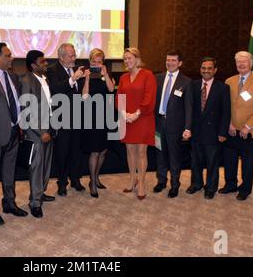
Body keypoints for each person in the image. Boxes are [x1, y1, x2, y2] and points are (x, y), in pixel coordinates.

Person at [0, 42, 28, 225]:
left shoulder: (12, 76)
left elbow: (16, 102)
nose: (12, 58)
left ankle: (10, 203)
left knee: (10, 171)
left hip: (14, 130)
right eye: (8, 55)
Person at [221, 51, 253, 201]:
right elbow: (226, 106)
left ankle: (245, 189)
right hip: (231, 129)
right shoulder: (229, 81)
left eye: (244, 62)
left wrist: (247, 127)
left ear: (251, 63)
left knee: (247, 162)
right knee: (229, 160)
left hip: (250, 131)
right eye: (238, 62)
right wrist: (228, 123)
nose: (241, 64)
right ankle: (230, 184)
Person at [187, 57, 231, 199]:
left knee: (212, 162)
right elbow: (189, 109)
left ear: (215, 70)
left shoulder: (223, 87)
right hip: (196, 131)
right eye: (203, 68)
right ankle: (196, 184)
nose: (206, 71)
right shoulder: (192, 85)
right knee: (195, 161)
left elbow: (226, 112)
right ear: (200, 70)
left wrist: (223, 132)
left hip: (213, 132)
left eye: (209, 68)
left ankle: (211, 187)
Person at [115, 48, 156, 200]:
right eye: (124, 59)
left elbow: (149, 97)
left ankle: (142, 184)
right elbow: (119, 97)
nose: (127, 61)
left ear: (137, 58)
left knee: (141, 152)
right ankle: (133, 179)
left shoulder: (147, 75)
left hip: (143, 118)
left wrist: (136, 114)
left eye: (129, 58)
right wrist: (124, 114)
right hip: (127, 119)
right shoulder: (123, 77)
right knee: (130, 150)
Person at [46, 43, 87, 196]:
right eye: (71, 55)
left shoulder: (78, 70)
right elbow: (55, 89)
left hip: (78, 117)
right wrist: (72, 79)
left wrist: (84, 79)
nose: (74, 57)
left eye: (75, 54)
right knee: (62, 153)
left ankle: (75, 179)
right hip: (62, 118)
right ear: (61, 57)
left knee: (76, 151)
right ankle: (62, 183)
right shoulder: (52, 70)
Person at [20, 50, 56, 218]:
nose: (46, 63)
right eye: (42, 62)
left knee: (46, 163)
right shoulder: (27, 80)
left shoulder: (45, 78)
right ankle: (34, 202)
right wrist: (40, 132)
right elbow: (27, 110)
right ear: (33, 65)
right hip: (36, 131)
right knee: (37, 166)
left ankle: (40, 193)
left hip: (49, 127)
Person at [154, 51, 192, 198]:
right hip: (158, 124)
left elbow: (189, 107)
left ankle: (175, 185)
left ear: (180, 63)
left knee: (174, 157)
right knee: (160, 154)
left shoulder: (186, 82)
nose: (170, 63)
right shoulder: (158, 78)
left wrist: (188, 127)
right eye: (168, 60)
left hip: (175, 126)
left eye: (173, 61)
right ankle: (161, 181)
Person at [81, 48, 115, 198]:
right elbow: (84, 97)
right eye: (94, 61)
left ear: (103, 62)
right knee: (95, 150)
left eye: (99, 61)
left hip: (105, 116)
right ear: (90, 62)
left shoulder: (106, 75)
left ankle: (95, 177)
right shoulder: (85, 75)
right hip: (91, 117)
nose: (96, 64)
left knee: (103, 150)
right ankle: (92, 182)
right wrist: (87, 79)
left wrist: (105, 74)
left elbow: (111, 89)